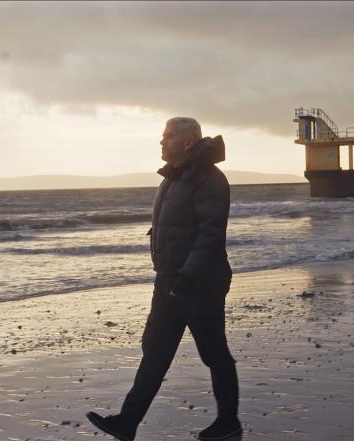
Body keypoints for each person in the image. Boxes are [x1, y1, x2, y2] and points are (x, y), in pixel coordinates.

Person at [86, 117, 241, 441]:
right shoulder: (173, 177)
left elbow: (211, 234)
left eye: (167, 136)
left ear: (187, 142)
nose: (161, 142)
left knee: (214, 354)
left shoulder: (209, 179)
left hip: (200, 284)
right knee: (155, 352)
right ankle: (127, 422)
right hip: (168, 281)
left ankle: (228, 423)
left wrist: (186, 276)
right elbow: (175, 224)